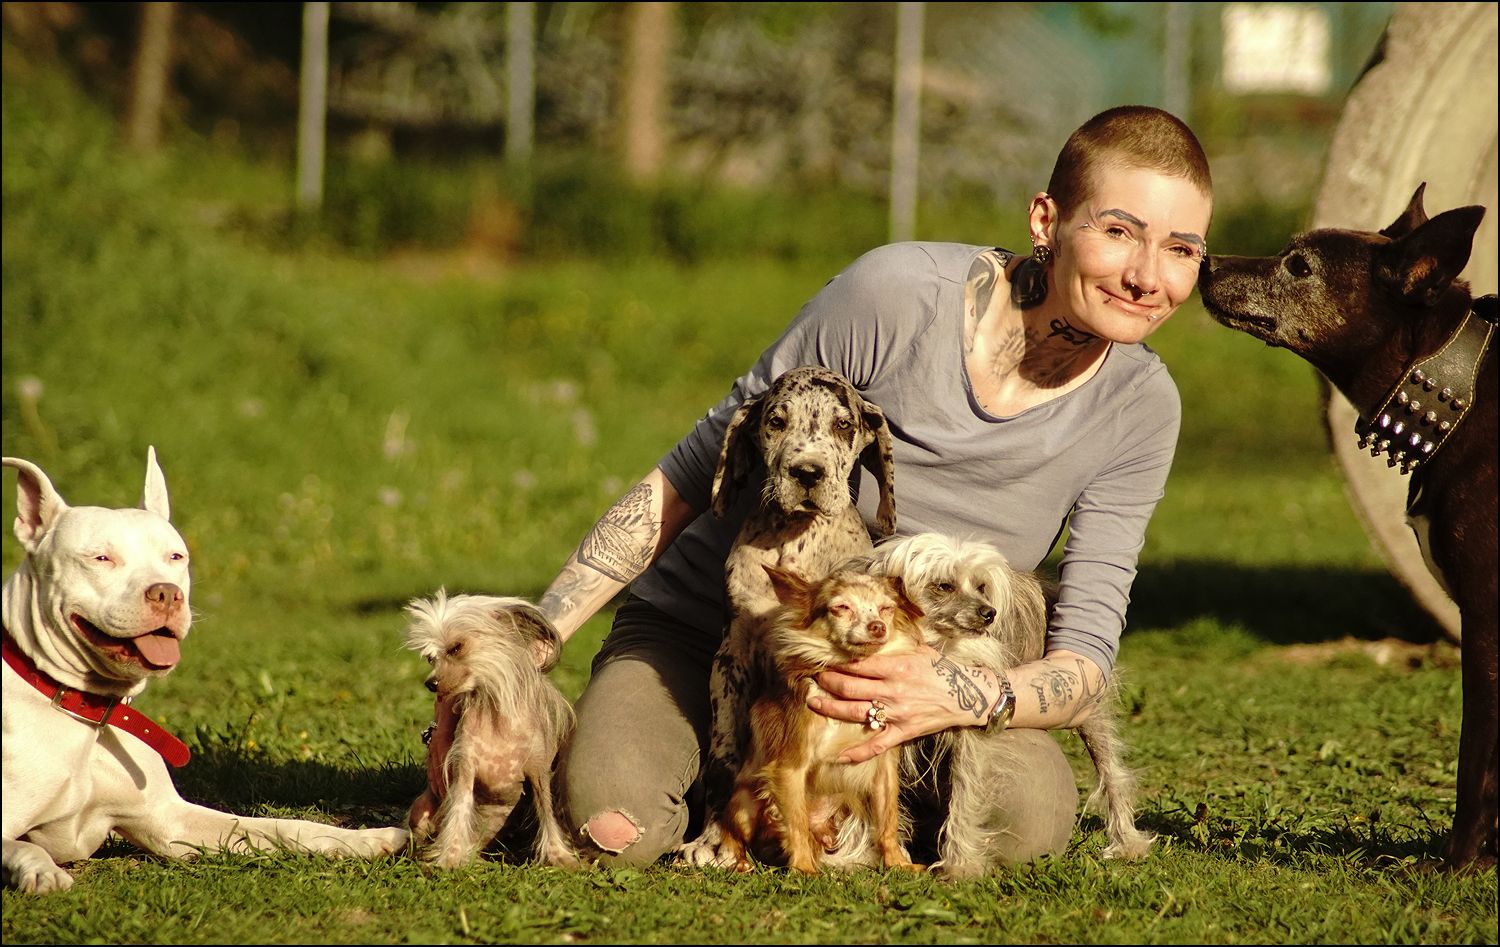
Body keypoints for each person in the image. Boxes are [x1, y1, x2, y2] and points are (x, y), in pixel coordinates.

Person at [535, 105, 1213, 867]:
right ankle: (719, 776)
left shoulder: (1141, 408)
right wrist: (535, 638)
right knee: (614, 823)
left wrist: (964, 696)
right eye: (1119, 231)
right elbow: (694, 468)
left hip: (915, 680)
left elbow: (1085, 655)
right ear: (1046, 219)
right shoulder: (895, 296)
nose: (1146, 276)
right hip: (722, 640)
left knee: (1025, 824)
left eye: (1181, 249)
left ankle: (821, 800)